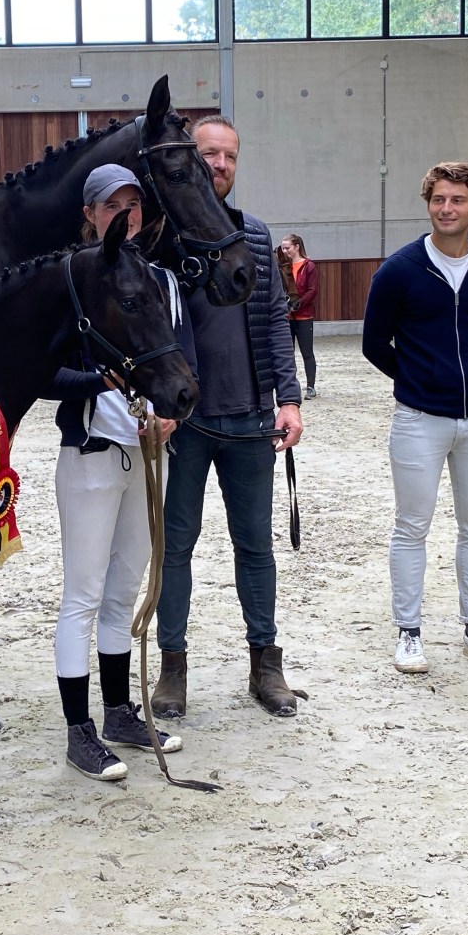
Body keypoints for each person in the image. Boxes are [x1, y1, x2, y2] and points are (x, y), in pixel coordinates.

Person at [150, 115, 304, 720]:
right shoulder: (162, 240)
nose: (219, 165)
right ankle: (172, 666)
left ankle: (266, 662)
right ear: (190, 159)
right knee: (176, 549)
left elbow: (273, 320)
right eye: (209, 155)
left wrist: (287, 398)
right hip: (184, 425)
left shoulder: (257, 237)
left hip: (249, 421)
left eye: (229, 157)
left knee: (255, 548)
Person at [48, 163, 189, 781]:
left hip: (145, 454)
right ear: (90, 214)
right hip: (92, 454)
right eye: (112, 207)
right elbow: (42, 373)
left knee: (123, 590)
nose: (123, 218)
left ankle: (116, 712)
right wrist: (100, 380)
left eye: (133, 207)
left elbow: (174, 357)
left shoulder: (158, 280)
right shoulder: (70, 281)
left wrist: (171, 418)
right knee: (81, 594)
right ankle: (78, 729)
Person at [362, 161, 468, 675]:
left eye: (457, 200)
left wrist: (466, 378)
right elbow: (372, 343)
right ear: (429, 204)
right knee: (412, 525)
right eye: (438, 200)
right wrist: (416, 379)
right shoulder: (399, 270)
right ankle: (409, 632)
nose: (446, 209)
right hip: (418, 420)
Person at [278, 233, 319, 399]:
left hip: (303, 316)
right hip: (287, 316)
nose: (285, 251)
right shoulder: (283, 266)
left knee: (307, 352)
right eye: (283, 248)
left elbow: (312, 290)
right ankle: (290, 386)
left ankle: (310, 386)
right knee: (287, 353)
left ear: (296, 247)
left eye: (287, 247)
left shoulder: (309, 266)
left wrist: (298, 304)